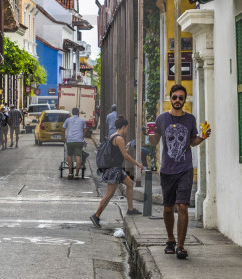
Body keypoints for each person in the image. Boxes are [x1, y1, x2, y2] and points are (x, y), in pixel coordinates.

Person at [147, 83, 209, 260]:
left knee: (182, 206)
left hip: (185, 169)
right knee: (168, 209)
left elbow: (191, 141)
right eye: (174, 97)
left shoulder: (190, 119)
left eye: (181, 98)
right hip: (167, 169)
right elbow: (154, 142)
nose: (177, 100)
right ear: (170, 98)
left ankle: (181, 246)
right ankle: (170, 240)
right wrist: (149, 133)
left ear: (184, 100)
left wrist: (202, 138)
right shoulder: (161, 119)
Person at [90, 116, 142, 226]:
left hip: (116, 168)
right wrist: (137, 164)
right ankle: (96, 215)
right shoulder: (119, 139)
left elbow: (118, 152)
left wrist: (126, 147)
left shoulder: (112, 135)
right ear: (124, 127)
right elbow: (125, 156)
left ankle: (131, 209)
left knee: (130, 184)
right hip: (114, 170)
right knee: (109, 194)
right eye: (127, 127)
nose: (127, 130)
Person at [63, 107, 87, 179]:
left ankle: (70, 173)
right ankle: (77, 174)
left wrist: (64, 138)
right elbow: (85, 130)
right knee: (78, 157)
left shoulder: (68, 120)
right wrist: (83, 137)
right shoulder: (82, 120)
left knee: (69, 155)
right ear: (78, 113)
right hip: (79, 141)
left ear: (72, 113)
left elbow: (63, 128)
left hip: (70, 141)